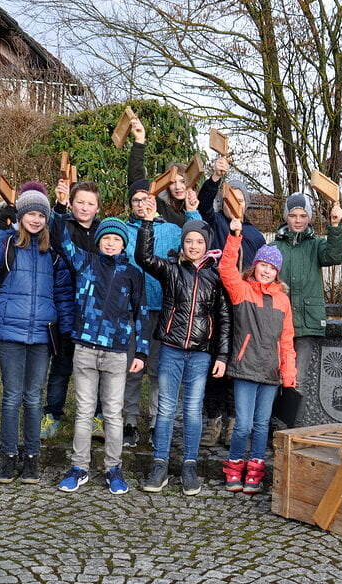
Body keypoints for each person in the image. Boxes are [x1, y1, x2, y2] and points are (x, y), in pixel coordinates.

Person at [0, 182, 73, 484]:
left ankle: (31, 457)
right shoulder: (6, 243)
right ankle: (8, 456)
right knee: (12, 396)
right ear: (20, 216)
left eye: (41, 215)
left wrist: (64, 329)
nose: (35, 219)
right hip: (9, 333)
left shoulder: (52, 253)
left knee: (33, 398)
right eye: (30, 213)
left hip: (42, 334)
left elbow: (62, 294)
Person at [53, 217, 148, 495]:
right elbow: (62, 240)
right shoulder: (85, 262)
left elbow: (141, 313)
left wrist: (141, 351)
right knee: (84, 412)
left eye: (116, 239)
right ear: (98, 241)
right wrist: (60, 209)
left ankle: (113, 468)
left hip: (116, 353)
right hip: (85, 349)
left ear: (124, 244)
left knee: (113, 414)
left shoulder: (133, 274)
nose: (110, 243)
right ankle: (79, 467)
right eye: (106, 238)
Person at [136, 217, 230, 495]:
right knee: (166, 409)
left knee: (192, 410)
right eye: (189, 241)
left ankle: (190, 465)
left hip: (200, 353)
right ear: (182, 243)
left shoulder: (216, 276)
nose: (193, 246)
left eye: (199, 241)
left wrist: (222, 356)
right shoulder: (171, 269)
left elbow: (224, 318)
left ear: (207, 245)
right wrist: (147, 226)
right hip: (172, 349)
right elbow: (144, 258)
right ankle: (160, 464)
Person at [218, 219, 297, 494]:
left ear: (277, 272)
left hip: (270, 372)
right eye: (263, 265)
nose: (267, 271)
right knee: (243, 425)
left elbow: (286, 340)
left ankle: (255, 470)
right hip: (246, 367)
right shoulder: (242, 290)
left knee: (262, 425)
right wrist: (234, 237)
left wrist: (288, 373)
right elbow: (226, 269)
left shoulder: (282, 300)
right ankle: (234, 467)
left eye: (272, 268)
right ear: (256, 266)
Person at [197, 157, 266, 443]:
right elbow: (203, 203)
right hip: (215, 302)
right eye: (230, 199)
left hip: (243, 306)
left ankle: (233, 418)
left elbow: (262, 272)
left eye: (240, 199)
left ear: (246, 204)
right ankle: (212, 418)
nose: (234, 204)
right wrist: (215, 177)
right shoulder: (214, 223)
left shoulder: (255, 236)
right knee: (214, 361)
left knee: (237, 363)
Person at [270, 193, 342, 425]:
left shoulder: (317, 245)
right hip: (277, 321)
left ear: (309, 218)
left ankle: (289, 427)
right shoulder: (275, 246)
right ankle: (269, 424)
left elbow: (334, 256)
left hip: (306, 322)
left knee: (297, 378)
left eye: (303, 215)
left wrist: (335, 226)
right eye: (293, 215)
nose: (298, 220)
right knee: (274, 374)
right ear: (286, 217)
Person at [123, 189, 185, 447]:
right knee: (132, 368)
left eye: (146, 200)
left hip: (163, 308)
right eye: (135, 200)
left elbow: (196, 242)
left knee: (159, 370)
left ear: (155, 203)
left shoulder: (172, 230)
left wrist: (193, 210)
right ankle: (129, 421)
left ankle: (156, 422)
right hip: (132, 309)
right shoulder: (124, 230)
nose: (141, 205)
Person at [42, 179, 102, 440]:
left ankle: (97, 416)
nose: (84, 207)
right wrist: (58, 205)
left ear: (97, 208)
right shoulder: (62, 225)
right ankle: (52, 413)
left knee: (96, 368)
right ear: (72, 203)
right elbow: (53, 234)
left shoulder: (103, 231)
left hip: (96, 310)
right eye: (80, 202)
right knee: (61, 364)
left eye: (90, 203)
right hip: (66, 305)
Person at [126, 117, 200, 227]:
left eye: (182, 181)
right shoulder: (161, 206)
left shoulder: (199, 206)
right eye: (173, 182)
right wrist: (140, 140)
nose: (178, 187)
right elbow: (136, 179)